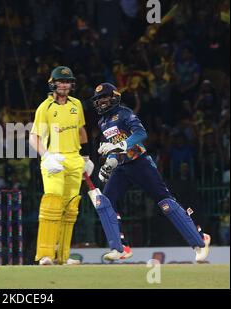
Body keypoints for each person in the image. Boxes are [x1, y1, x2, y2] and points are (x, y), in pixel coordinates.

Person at [91, 82, 210, 262]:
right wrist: (109, 164)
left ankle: (200, 241)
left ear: (115, 97)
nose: (101, 102)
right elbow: (115, 151)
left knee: (166, 204)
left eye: (105, 97)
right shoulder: (102, 122)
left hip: (140, 163)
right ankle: (120, 248)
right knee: (103, 201)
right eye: (98, 99)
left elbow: (140, 134)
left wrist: (118, 145)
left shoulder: (124, 113)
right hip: (123, 168)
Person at [30, 66, 94, 265]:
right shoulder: (45, 107)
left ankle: (63, 256)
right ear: (53, 84)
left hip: (74, 160)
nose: (64, 85)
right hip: (53, 161)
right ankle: (45, 255)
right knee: (52, 205)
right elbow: (34, 137)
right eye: (61, 81)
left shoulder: (76, 104)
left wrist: (86, 157)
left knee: (70, 208)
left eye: (67, 81)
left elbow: (82, 132)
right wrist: (47, 156)